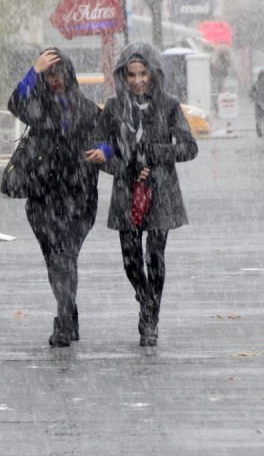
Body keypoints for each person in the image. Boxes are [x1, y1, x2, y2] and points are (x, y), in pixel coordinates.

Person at [86, 42, 198, 347]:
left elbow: (189, 148)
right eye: (131, 74)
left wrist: (154, 154)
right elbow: (101, 148)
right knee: (131, 259)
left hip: (161, 192)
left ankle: (150, 318)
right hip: (126, 190)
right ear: (123, 75)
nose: (137, 81)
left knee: (155, 256)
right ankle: (145, 298)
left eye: (143, 74)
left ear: (153, 74)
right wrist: (124, 165)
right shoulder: (113, 108)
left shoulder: (169, 105)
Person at [8, 47, 101, 348]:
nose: (54, 79)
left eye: (58, 72)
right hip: (42, 198)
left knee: (65, 257)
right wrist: (32, 72)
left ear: (70, 74)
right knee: (54, 260)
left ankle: (62, 320)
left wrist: (106, 153)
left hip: (79, 198)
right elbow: (15, 102)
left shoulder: (87, 110)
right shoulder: (38, 107)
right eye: (48, 75)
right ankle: (69, 310)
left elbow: (111, 142)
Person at [249, 70, 264, 138]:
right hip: (258, 106)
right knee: (258, 121)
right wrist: (254, 97)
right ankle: (259, 132)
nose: (263, 78)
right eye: (262, 76)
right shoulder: (256, 84)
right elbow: (251, 93)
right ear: (259, 77)